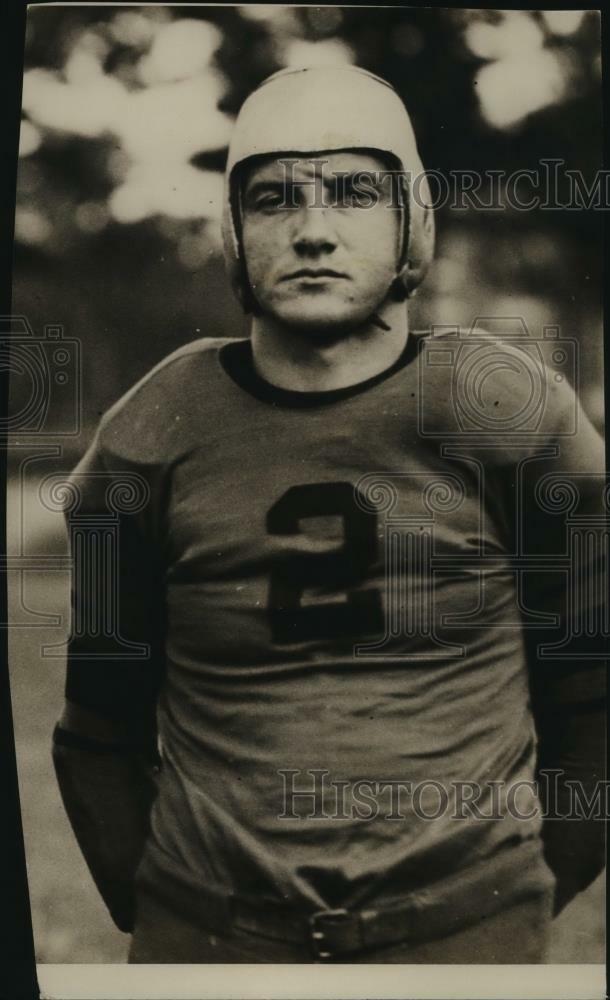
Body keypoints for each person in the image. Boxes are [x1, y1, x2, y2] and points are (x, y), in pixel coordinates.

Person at [52, 65, 606, 964]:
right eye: (274, 198)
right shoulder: (152, 432)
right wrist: (171, 912)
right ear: (233, 232)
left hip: (462, 931)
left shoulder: (506, 409)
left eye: (352, 192)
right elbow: (98, 730)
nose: (312, 231)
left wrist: (513, 899)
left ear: (411, 219)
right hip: (212, 935)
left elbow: (591, 695)